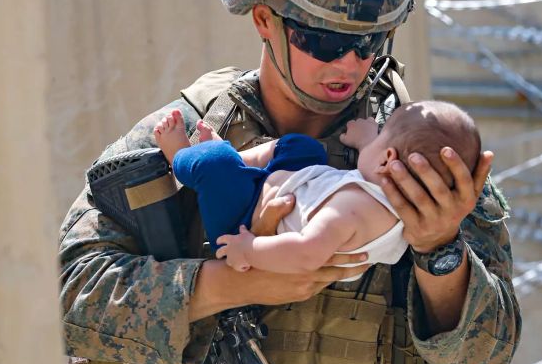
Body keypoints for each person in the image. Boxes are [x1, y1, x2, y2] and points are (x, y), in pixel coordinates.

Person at [59, 0, 521, 364]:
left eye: (369, 43)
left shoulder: (421, 157)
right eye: (324, 41)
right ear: (264, 20)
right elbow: (69, 299)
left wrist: (439, 250)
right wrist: (230, 284)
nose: (350, 63)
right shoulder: (188, 136)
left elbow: (486, 362)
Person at [152, 101, 481, 280]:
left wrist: (249, 249)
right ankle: (235, 161)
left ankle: (180, 155)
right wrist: (368, 140)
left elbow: (308, 253)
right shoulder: (393, 204)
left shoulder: (350, 211)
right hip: (291, 187)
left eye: (381, 136)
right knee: (303, 148)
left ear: (388, 158)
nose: (375, 136)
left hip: (243, 220)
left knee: (213, 164)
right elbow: (375, 169)